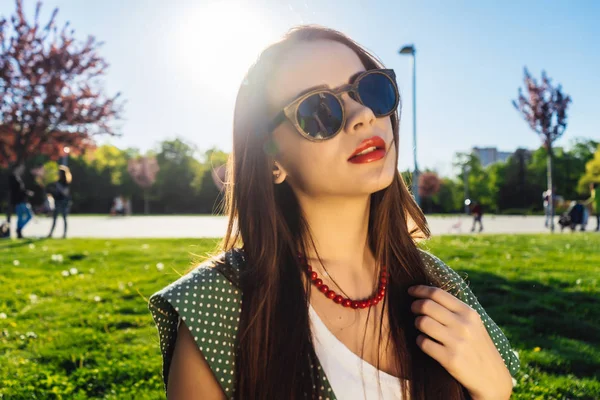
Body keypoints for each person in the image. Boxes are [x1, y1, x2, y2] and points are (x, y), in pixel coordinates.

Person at [148, 26, 519, 399]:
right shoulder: (216, 305)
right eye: (318, 110)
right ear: (272, 160)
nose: (362, 115)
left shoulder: (440, 284)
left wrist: (495, 393)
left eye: (371, 89)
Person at [8, 163, 34, 239]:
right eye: (21, 168)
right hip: (19, 201)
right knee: (26, 216)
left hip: (21, 200)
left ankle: (19, 230)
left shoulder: (17, 178)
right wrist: (26, 192)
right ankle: (19, 230)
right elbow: (17, 191)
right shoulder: (13, 178)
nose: (22, 170)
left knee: (22, 217)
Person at [47, 166, 72, 238]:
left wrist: (58, 186)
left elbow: (65, 193)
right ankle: (51, 233)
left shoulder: (65, 182)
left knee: (64, 218)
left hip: (63, 202)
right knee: (54, 218)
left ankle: (64, 234)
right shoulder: (57, 182)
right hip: (57, 201)